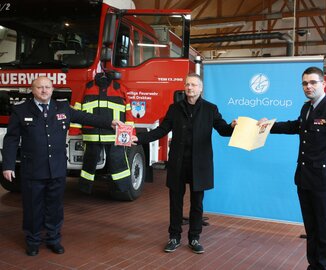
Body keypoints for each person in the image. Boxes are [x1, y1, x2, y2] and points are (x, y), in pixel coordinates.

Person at [2, 76, 123, 256]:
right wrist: (8, 165)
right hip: (33, 169)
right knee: (33, 208)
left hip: (57, 168)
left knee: (55, 207)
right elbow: (11, 139)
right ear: (32, 90)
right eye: (40, 87)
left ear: (52, 89)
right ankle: (33, 241)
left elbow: (85, 117)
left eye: (47, 87)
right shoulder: (21, 110)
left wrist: (110, 122)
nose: (44, 90)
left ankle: (53, 239)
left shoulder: (63, 107)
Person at [259, 67, 326, 270]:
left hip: (324, 181)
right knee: (312, 228)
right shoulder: (307, 108)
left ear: (323, 83)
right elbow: (296, 126)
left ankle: (324, 267)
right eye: (305, 83)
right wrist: (269, 125)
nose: (308, 86)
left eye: (312, 82)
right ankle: (314, 265)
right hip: (305, 179)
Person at [132, 73, 237, 254]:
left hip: (200, 165)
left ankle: (194, 238)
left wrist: (233, 127)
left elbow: (223, 129)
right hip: (178, 163)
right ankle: (174, 237)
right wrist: (139, 139)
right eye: (187, 84)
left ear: (201, 88)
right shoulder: (174, 108)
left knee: (197, 204)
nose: (190, 88)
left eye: (194, 85)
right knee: (175, 203)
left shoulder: (211, 109)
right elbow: (161, 130)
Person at [78, 72, 133, 198]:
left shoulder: (120, 89)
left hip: (114, 135)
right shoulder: (87, 87)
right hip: (92, 134)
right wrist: (74, 130)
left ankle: (123, 188)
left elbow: (128, 113)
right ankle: (85, 188)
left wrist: (130, 134)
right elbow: (77, 108)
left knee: (118, 161)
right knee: (89, 162)